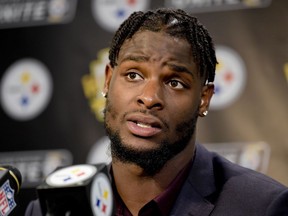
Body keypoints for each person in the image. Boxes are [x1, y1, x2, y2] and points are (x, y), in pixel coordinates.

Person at [25, 8, 288, 216]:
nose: (149, 98)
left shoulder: (262, 207)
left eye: (175, 82)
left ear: (204, 100)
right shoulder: (51, 208)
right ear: (107, 81)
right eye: (133, 74)